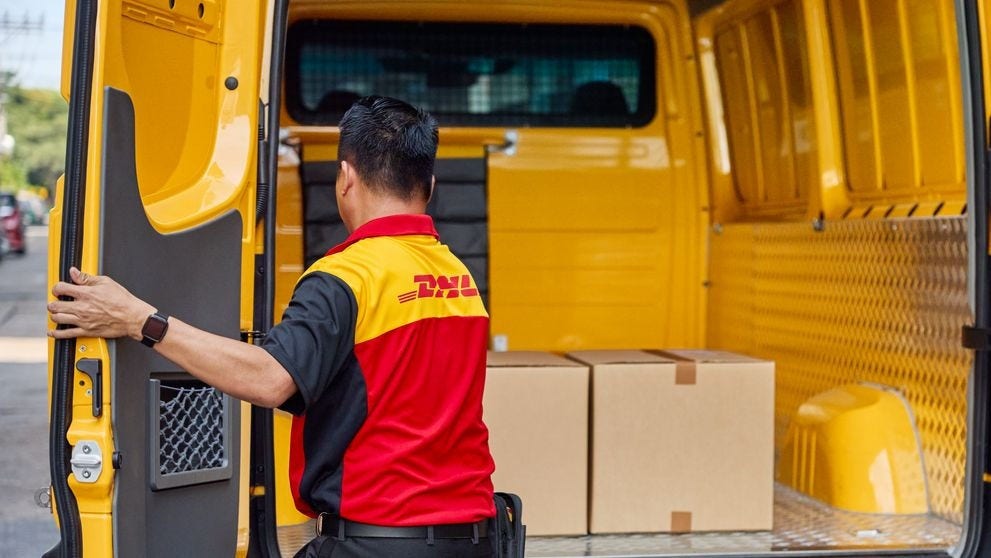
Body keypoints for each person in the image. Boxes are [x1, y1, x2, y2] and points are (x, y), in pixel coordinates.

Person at [48, 96, 497, 558]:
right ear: (431, 184)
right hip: (473, 540)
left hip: (377, 541)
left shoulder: (348, 276)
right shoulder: (456, 276)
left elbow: (270, 379)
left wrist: (138, 320)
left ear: (346, 178)